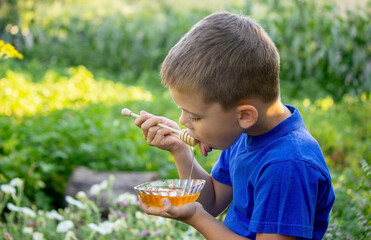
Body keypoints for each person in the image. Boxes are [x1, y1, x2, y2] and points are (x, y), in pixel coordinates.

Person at [133, 11, 335, 240]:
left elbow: (204, 212)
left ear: (245, 115)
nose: (182, 122)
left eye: (195, 116)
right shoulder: (244, 133)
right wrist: (180, 150)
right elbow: (213, 202)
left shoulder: (287, 165)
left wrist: (196, 216)